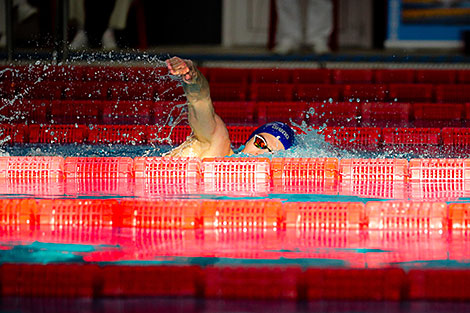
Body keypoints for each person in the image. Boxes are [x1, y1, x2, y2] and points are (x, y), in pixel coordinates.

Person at [164, 57, 296, 158]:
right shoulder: (216, 146)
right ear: (250, 139)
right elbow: (199, 101)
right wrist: (192, 78)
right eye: (260, 143)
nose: (260, 154)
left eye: (272, 154)